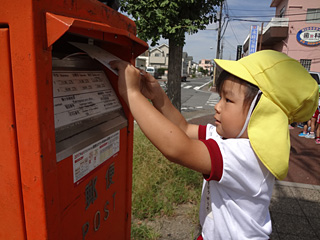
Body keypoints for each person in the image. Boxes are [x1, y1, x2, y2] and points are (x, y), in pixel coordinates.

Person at [109, 50, 318, 239]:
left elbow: (177, 148)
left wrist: (132, 94)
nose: (217, 107)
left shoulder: (250, 156)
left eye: (228, 100)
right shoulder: (228, 139)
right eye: (220, 97)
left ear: (262, 113)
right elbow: (183, 129)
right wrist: (157, 95)